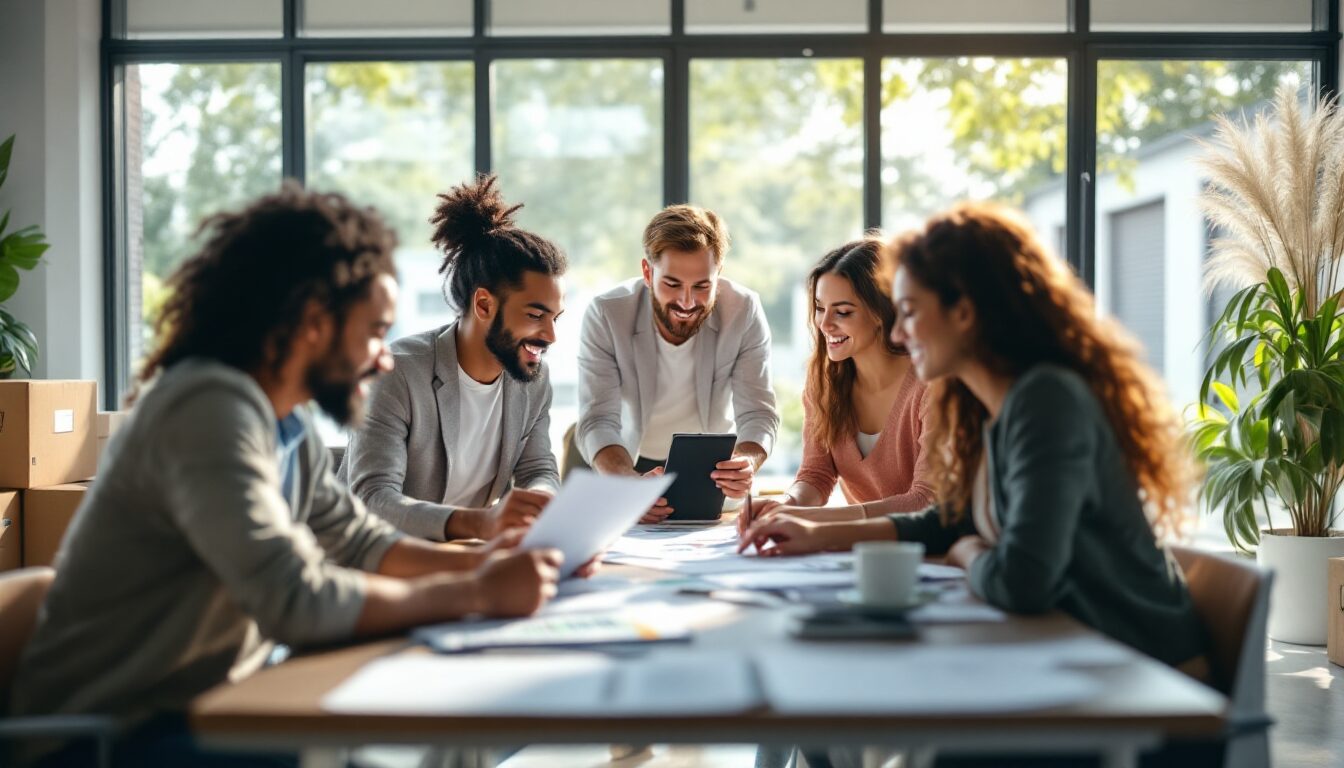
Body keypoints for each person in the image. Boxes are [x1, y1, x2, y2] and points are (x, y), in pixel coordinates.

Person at [10, 186, 563, 767]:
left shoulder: (285, 417)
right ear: (312, 323)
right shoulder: (205, 407)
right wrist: (474, 591)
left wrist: (489, 561)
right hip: (106, 734)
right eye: (374, 331)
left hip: (207, 703)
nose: (382, 358)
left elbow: (355, 537)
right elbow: (291, 595)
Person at [740, 202, 1208, 676]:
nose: (899, 332)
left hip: (1141, 668)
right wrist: (815, 531)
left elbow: (1020, 580)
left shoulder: (1047, 400)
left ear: (963, 312)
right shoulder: (986, 404)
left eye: (909, 313)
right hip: (1072, 644)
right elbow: (947, 519)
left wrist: (968, 552)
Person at [342, 175, 565, 542]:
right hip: (379, 560)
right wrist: (481, 524)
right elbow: (372, 499)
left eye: (555, 318)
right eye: (535, 315)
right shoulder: (397, 373)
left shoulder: (532, 379)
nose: (551, 335)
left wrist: (540, 502)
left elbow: (538, 468)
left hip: (467, 554)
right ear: (484, 304)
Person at [577, 204, 779, 522]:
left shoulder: (744, 310)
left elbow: (758, 413)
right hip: (626, 462)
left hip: (712, 471)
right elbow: (597, 421)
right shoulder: (606, 313)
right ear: (647, 272)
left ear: (719, 274)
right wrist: (627, 484)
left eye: (702, 286)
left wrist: (746, 462)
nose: (687, 303)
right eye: (672, 284)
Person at [737, 236, 933, 540]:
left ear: (881, 312)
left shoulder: (932, 385)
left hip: (930, 551)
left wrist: (811, 520)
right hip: (862, 548)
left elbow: (925, 500)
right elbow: (816, 475)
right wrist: (786, 504)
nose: (824, 324)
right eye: (819, 308)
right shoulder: (824, 383)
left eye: (842, 312)